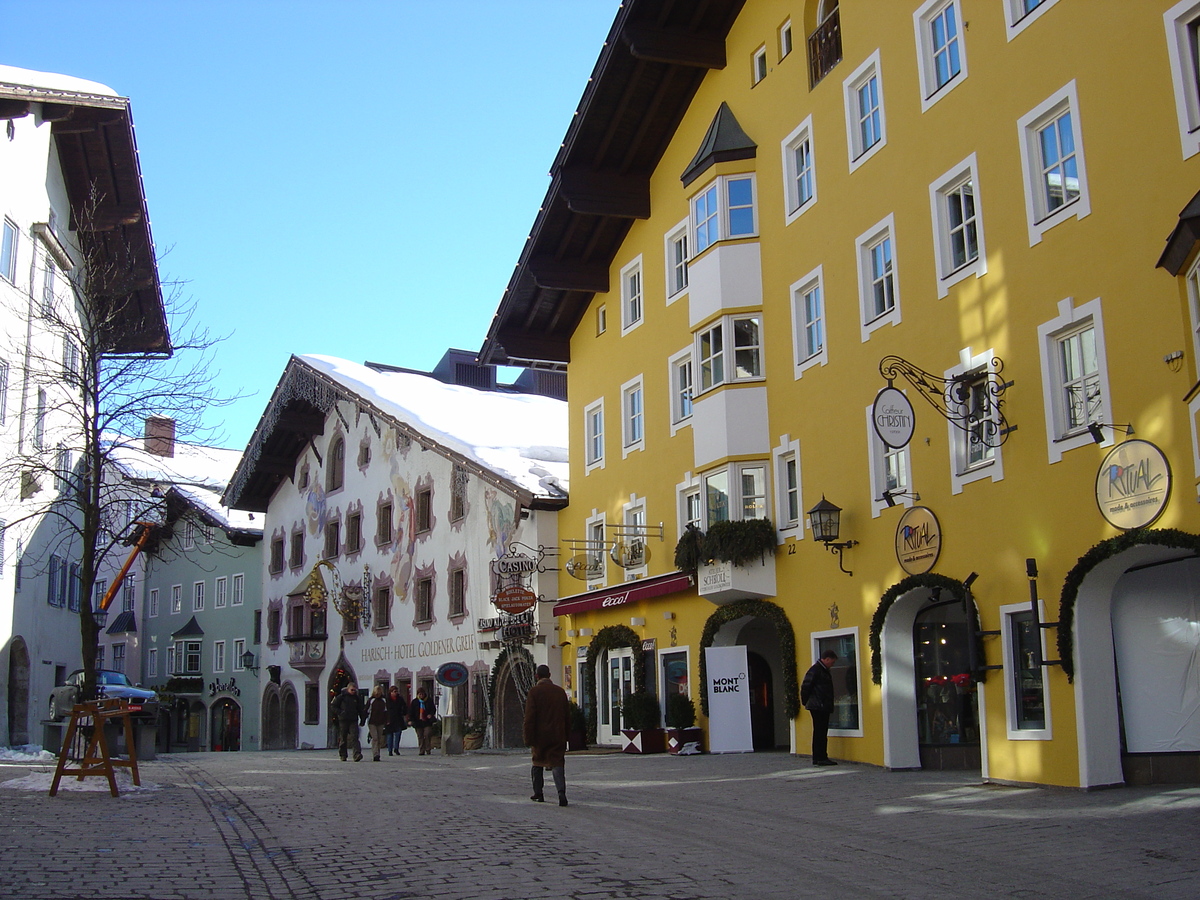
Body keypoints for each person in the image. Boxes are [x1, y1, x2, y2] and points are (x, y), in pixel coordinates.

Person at [523, 664, 570, 806]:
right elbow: (567, 715)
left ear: (537, 676)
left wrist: (528, 737)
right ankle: (561, 793)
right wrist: (567, 734)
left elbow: (529, 717)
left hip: (540, 736)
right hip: (557, 734)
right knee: (557, 763)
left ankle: (538, 793)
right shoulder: (560, 692)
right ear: (549, 675)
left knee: (537, 763)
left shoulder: (534, 692)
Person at [801, 650, 839, 766]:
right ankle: (821, 757)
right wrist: (806, 701)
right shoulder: (817, 670)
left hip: (819, 705)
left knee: (819, 732)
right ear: (826, 659)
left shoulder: (820, 670)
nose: (832, 664)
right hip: (819, 705)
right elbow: (805, 687)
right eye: (832, 662)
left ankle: (818, 757)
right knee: (820, 732)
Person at [330, 682, 367, 762]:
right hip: (343, 720)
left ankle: (357, 754)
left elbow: (360, 709)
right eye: (352, 690)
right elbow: (333, 706)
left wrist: (362, 719)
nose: (353, 691)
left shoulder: (356, 698)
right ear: (348, 689)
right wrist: (340, 712)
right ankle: (343, 755)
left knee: (355, 737)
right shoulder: (341, 697)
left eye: (355, 690)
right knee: (343, 738)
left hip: (353, 719)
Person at [409, 687, 436, 756]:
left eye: (422, 694)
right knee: (420, 736)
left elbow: (433, 709)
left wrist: (430, 714)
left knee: (427, 734)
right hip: (418, 721)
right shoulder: (415, 702)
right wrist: (410, 720)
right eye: (420, 694)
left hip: (427, 721)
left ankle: (428, 749)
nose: (421, 696)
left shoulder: (429, 700)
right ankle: (421, 750)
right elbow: (411, 712)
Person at [365, 685, 389, 762]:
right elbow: (366, 710)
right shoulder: (371, 700)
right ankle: (375, 754)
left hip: (381, 721)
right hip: (372, 721)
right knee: (375, 738)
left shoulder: (384, 700)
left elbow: (386, 711)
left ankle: (378, 753)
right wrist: (363, 720)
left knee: (379, 738)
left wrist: (387, 720)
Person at [385, 685, 408, 756]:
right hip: (389, 719)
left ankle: (396, 748)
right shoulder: (387, 699)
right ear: (391, 692)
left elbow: (404, 707)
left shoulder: (400, 699)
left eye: (396, 691)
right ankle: (390, 750)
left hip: (398, 718)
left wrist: (404, 713)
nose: (396, 693)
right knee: (389, 735)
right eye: (394, 691)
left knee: (398, 734)